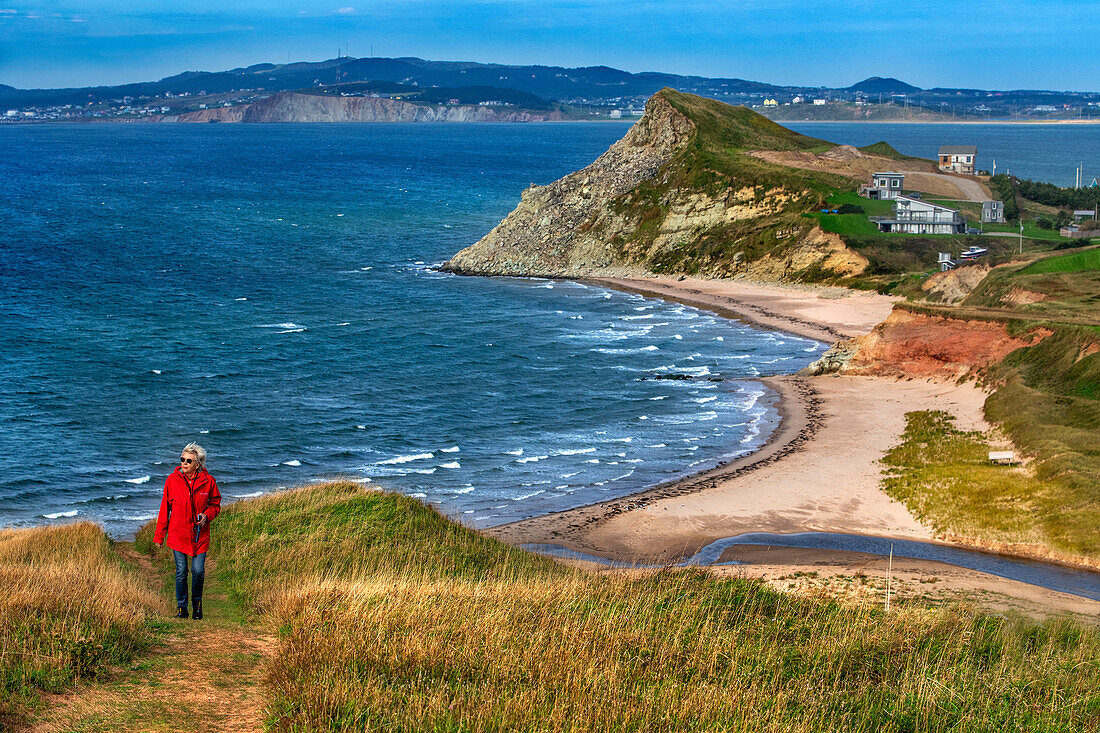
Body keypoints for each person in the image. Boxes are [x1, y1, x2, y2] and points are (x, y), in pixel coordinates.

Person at [154, 442, 221, 620]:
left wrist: (206, 515)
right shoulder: (171, 480)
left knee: (198, 571)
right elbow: (164, 509)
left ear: (198, 464)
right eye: (182, 459)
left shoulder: (209, 482)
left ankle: (197, 606)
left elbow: (215, 505)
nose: (184, 463)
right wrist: (159, 535)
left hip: (200, 534)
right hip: (178, 533)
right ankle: (182, 608)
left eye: (188, 461)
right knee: (181, 570)